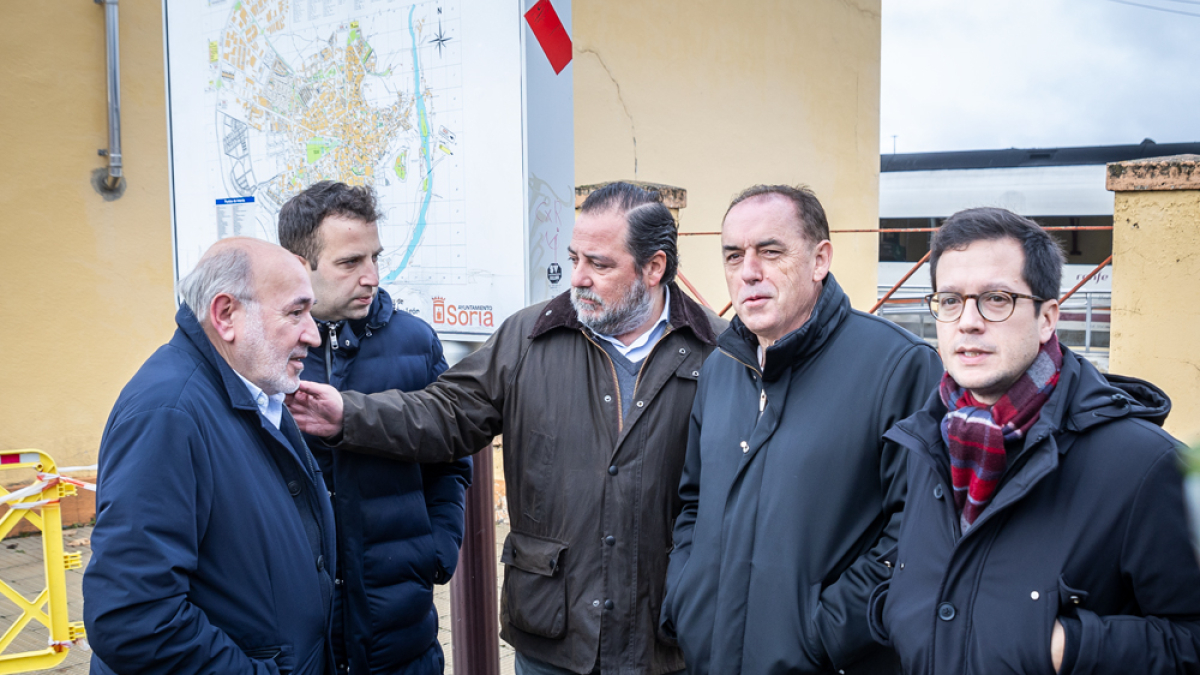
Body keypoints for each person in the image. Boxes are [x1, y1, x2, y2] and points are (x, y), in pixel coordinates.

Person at [287, 182, 727, 675]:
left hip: (666, 637)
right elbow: (446, 414)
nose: (577, 278)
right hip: (553, 637)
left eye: (599, 264)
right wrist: (349, 415)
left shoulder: (721, 353)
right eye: (574, 257)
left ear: (654, 268)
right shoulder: (530, 336)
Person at [867, 207, 1200, 674]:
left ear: (1048, 318)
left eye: (997, 299)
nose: (968, 322)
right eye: (950, 300)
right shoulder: (930, 440)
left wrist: (1074, 648)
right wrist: (901, 611)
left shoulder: (1145, 465)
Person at [660, 185, 943, 674]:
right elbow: (693, 502)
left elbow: (919, 532)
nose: (749, 271)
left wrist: (827, 631)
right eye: (733, 256)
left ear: (819, 260)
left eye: (770, 251)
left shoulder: (899, 367)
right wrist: (686, 596)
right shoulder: (722, 367)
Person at [84, 238, 335, 675]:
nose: (313, 333)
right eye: (296, 312)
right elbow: (133, 620)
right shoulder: (167, 414)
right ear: (225, 315)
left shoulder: (256, 391)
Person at [278, 181, 471, 675]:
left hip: (400, 630)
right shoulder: (267, 353)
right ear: (301, 264)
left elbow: (450, 457)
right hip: (302, 634)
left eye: (375, 258)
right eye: (350, 263)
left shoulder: (415, 342)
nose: (372, 277)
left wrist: (437, 549)